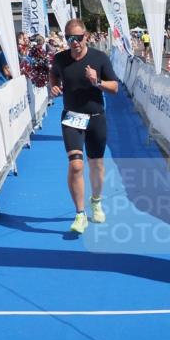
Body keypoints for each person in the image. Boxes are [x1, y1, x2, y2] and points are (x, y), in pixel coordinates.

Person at [49, 19, 118, 234]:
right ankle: (80, 214)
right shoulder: (60, 58)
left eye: (78, 38)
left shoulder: (99, 58)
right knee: (76, 165)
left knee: (96, 166)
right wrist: (53, 86)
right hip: (72, 117)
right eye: (70, 38)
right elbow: (53, 74)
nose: (74, 42)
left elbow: (114, 87)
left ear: (85, 36)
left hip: (96, 117)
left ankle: (96, 201)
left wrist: (96, 82)